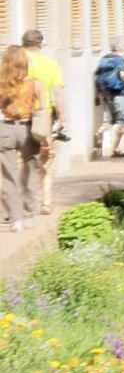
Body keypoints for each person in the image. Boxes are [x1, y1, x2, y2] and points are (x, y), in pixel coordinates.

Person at [1, 44, 48, 232]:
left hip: (6, 129)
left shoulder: (2, 83)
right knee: (31, 171)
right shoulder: (35, 83)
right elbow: (44, 110)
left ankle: (16, 219)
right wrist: (47, 136)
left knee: (8, 175)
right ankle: (30, 214)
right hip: (29, 129)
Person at [21, 30, 64, 214]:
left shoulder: (15, 63)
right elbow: (58, 93)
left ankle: (22, 201)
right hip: (45, 118)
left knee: (21, 160)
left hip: (20, 116)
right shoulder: (50, 64)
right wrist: (63, 118)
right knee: (46, 159)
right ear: (41, 44)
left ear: (23, 44)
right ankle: (45, 201)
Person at [94, 40, 124, 159]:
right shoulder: (120, 60)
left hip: (106, 94)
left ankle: (99, 132)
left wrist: (97, 95)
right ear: (120, 49)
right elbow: (122, 76)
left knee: (110, 120)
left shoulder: (103, 59)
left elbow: (97, 77)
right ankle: (114, 149)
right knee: (120, 121)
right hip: (119, 93)